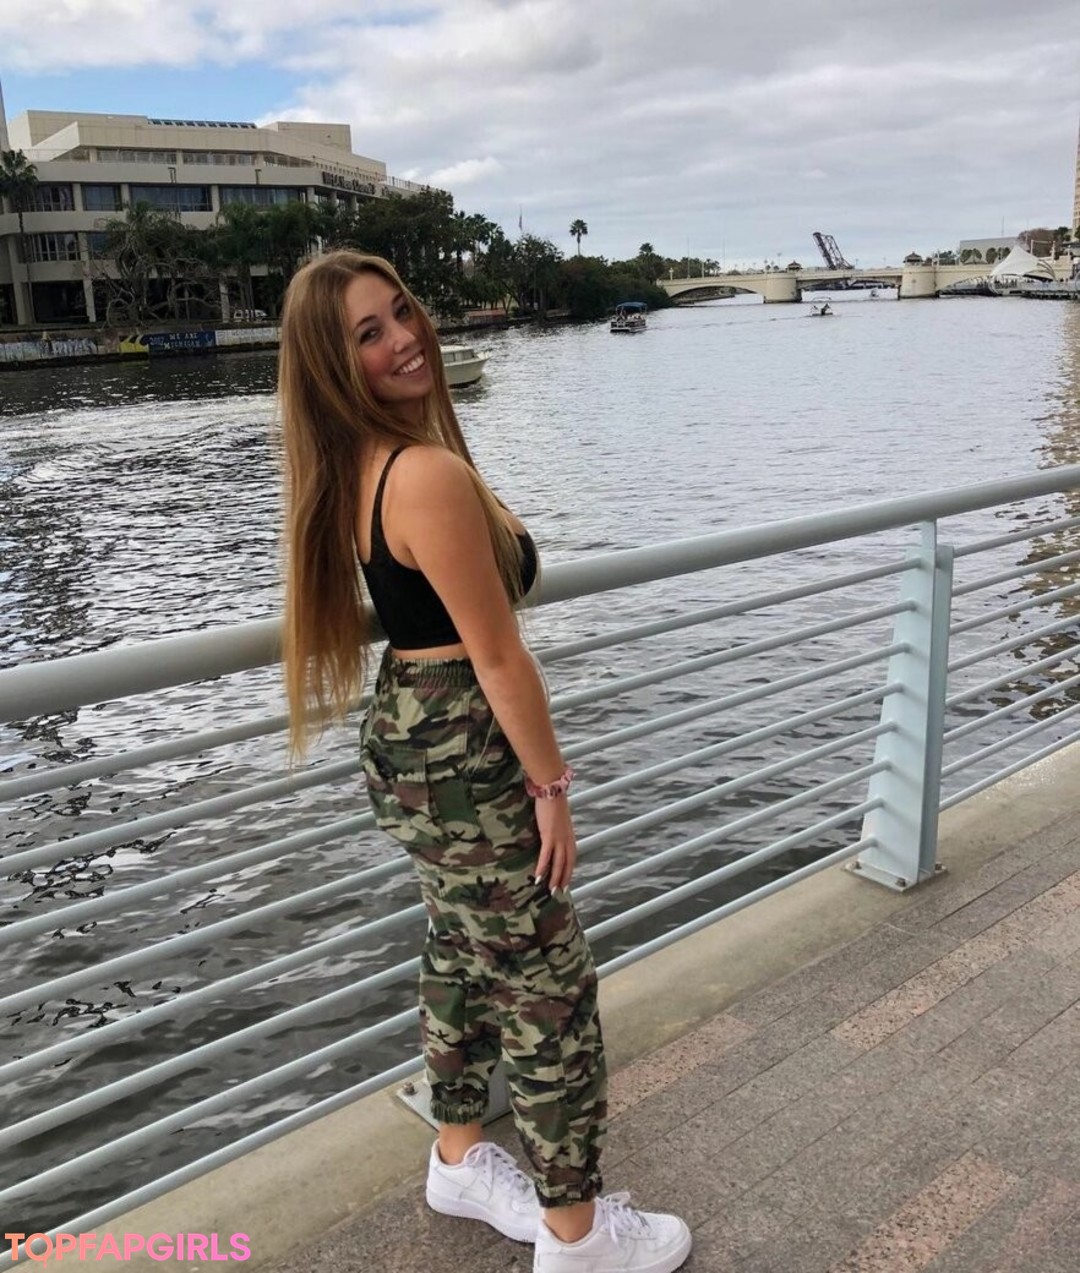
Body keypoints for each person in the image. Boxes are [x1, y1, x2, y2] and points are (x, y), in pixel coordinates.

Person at [277, 250, 691, 1273]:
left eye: (401, 311)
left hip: (412, 735)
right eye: (368, 333)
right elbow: (498, 655)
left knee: (463, 950)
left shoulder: (362, 465)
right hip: (468, 746)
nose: (404, 337)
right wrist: (551, 788)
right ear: (332, 366)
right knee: (549, 985)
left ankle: (460, 1156)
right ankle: (577, 1234)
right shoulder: (423, 474)